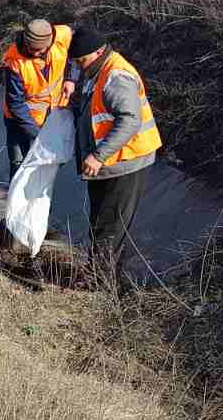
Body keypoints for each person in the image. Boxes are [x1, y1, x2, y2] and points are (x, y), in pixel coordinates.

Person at [68, 24, 163, 290]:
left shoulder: (116, 76)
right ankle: (103, 279)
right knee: (101, 224)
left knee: (109, 228)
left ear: (98, 52)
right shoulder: (97, 69)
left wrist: (98, 155)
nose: (79, 66)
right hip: (109, 163)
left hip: (125, 162)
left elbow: (130, 120)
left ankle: (99, 285)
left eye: (82, 61)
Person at [0, 19, 76, 251]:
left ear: (49, 42)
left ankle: (36, 223)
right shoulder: (14, 62)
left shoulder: (62, 35)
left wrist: (71, 78)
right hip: (20, 123)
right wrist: (37, 134)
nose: (34, 53)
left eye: (39, 50)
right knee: (20, 169)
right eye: (31, 49)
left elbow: (76, 53)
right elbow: (16, 104)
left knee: (44, 172)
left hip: (53, 118)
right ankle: (14, 226)